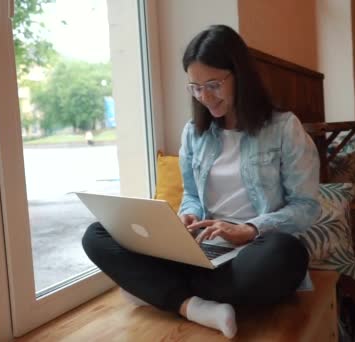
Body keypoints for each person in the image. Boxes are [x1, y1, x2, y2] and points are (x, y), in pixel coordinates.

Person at [82, 24, 320, 339]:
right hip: (202, 251)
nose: (204, 97)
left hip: (253, 252)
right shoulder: (194, 133)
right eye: (195, 87)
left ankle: (156, 291)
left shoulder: (284, 128)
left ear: (240, 75)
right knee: (97, 233)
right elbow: (192, 196)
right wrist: (188, 215)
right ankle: (193, 306)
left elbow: (306, 207)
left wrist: (250, 229)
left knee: (287, 253)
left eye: (213, 84)